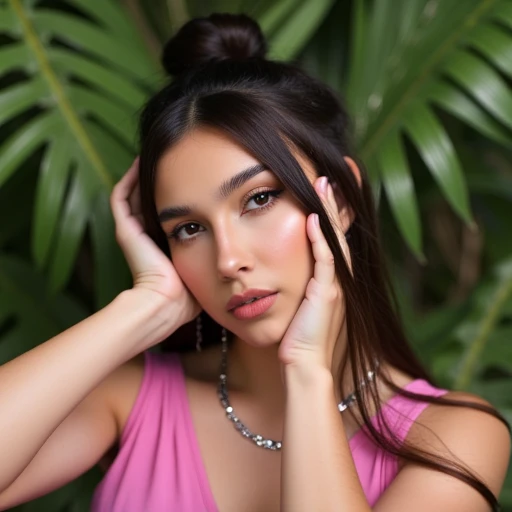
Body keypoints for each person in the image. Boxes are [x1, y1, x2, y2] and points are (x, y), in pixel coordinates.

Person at [0, 12, 510, 512]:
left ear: (342, 200)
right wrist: (145, 307)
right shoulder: (129, 397)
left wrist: (308, 372)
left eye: (259, 199)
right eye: (189, 229)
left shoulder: (454, 435)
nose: (228, 260)